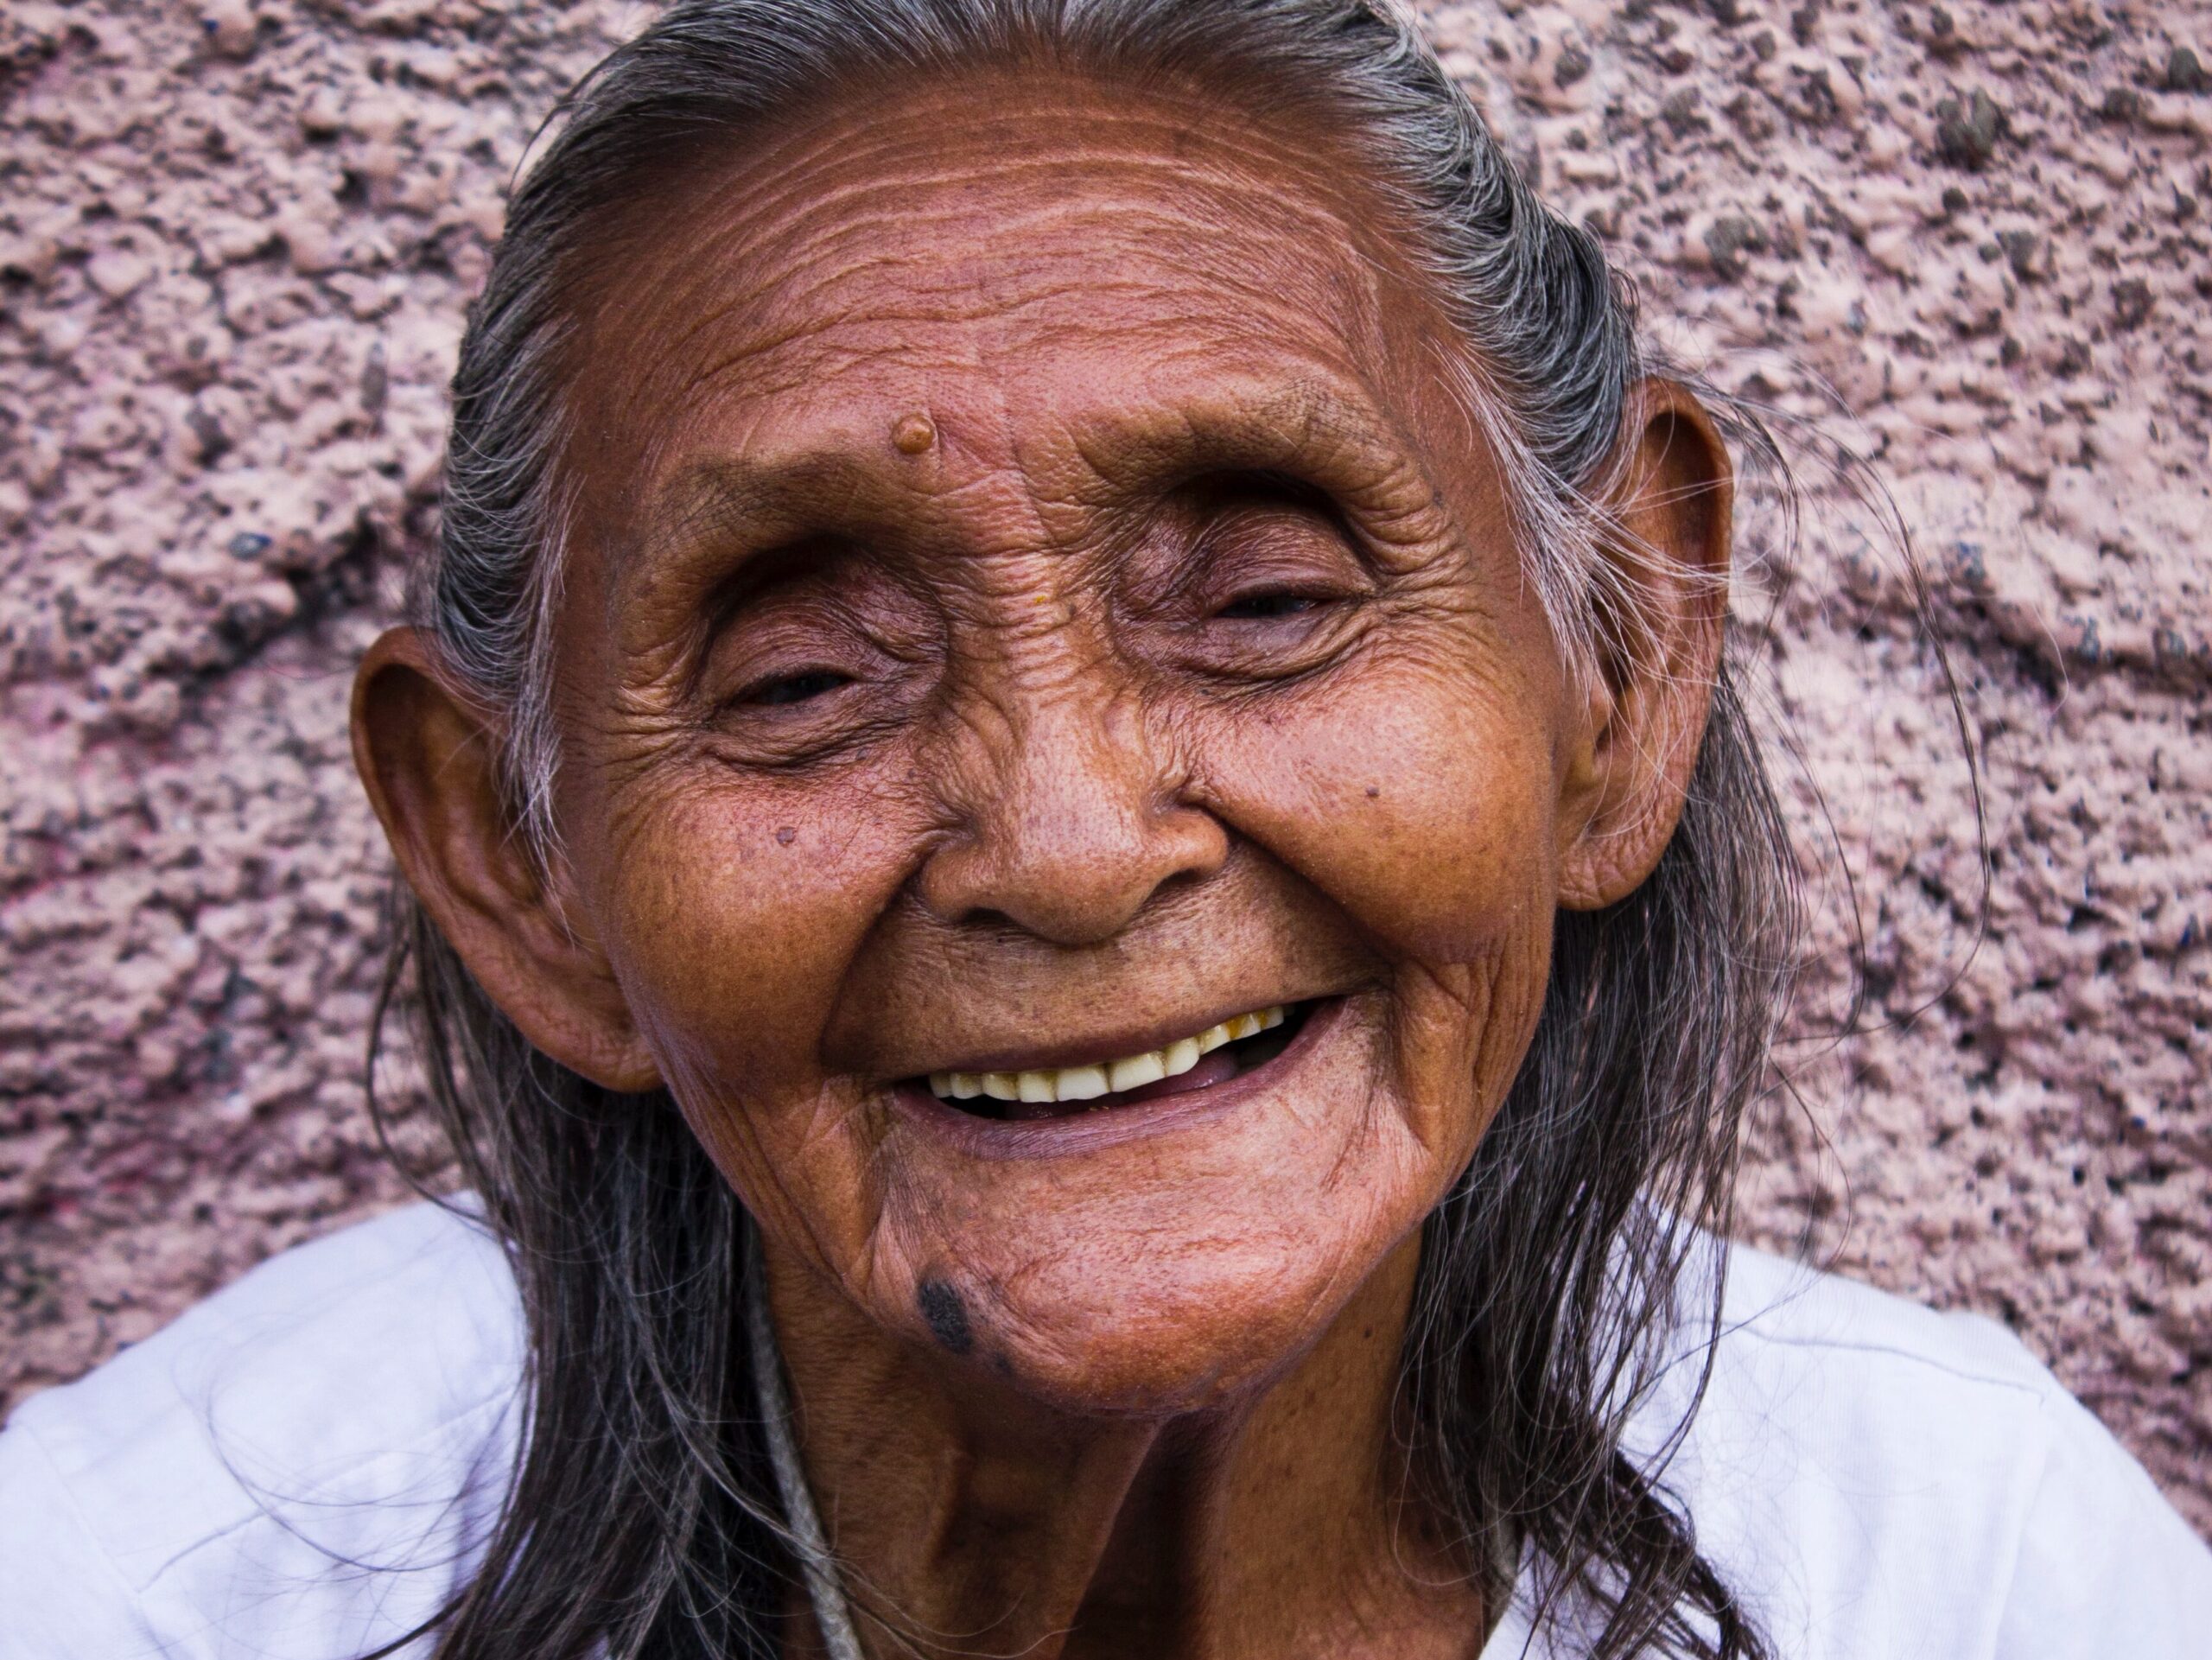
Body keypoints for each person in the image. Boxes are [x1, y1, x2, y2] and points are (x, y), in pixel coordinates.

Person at [3, 3, 2206, 1657]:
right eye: (797, 681)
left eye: (1264, 604)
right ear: (521, 863)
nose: (1063, 844)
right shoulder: (156, 1594)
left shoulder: (1953, 1571)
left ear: (1614, 673)